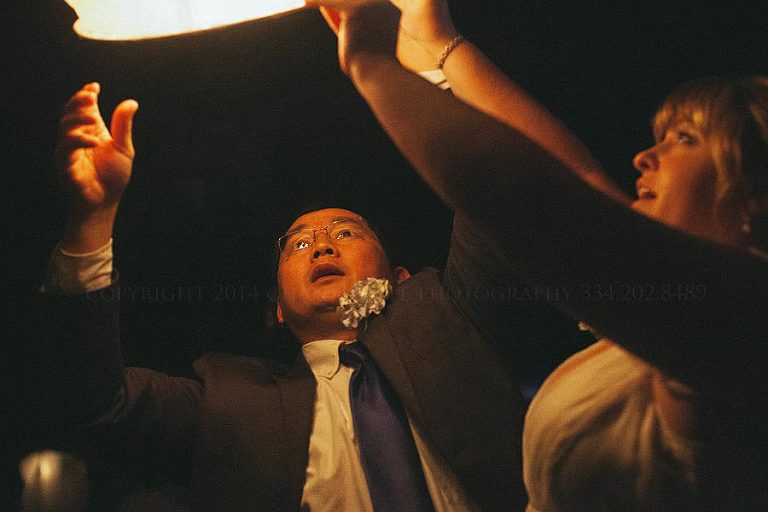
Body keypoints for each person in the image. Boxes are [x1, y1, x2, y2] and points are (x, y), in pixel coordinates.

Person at [302, 0, 768, 509]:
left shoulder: (745, 321)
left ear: (755, 196)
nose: (644, 156)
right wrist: (435, 44)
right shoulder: (663, 312)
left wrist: (372, 67)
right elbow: (575, 179)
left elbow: (537, 200)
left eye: (685, 138)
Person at [31, 79, 534, 510]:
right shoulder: (226, 400)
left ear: (401, 277)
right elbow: (95, 407)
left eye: (346, 232)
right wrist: (90, 222)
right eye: (297, 243)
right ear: (277, 308)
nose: (319, 245)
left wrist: (425, 61)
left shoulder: (455, 317)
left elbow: (493, 187)